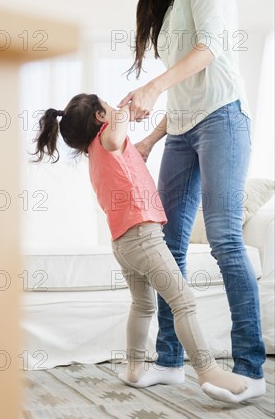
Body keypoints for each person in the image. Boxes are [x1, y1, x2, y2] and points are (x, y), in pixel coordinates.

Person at [108, 0, 266, 403]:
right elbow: (182, 93)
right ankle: (171, 362)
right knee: (166, 246)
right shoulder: (169, 7)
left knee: (224, 239)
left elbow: (210, 49)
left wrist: (153, 87)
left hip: (223, 120)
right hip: (181, 130)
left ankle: (251, 370)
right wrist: (152, 139)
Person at [33, 92, 249, 401]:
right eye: (107, 107)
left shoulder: (99, 152)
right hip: (143, 238)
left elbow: (126, 139)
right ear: (100, 118)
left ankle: (133, 367)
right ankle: (207, 370)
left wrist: (152, 129)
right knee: (183, 299)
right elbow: (119, 121)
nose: (114, 110)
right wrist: (135, 102)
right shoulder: (108, 141)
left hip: (123, 243)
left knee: (143, 305)